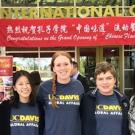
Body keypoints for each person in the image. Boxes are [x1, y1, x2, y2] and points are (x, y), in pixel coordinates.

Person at [37, 51, 84, 135]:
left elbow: (83, 113)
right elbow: (37, 113)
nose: (63, 68)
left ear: (72, 66)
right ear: (54, 68)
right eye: (58, 65)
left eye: (66, 64)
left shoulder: (78, 85)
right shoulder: (44, 87)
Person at [80, 62, 130, 135]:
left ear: (115, 80)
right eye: (100, 79)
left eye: (109, 78)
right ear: (96, 81)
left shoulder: (124, 100)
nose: (105, 82)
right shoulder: (86, 99)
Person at [0, 70, 44, 135]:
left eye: (28, 83)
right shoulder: (5, 106)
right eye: (20, 84)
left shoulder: (40, 106)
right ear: (15, 87)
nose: (25, 87)